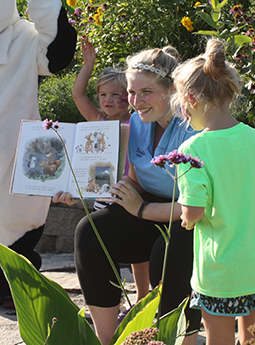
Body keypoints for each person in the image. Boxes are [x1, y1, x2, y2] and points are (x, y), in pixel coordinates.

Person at [54, 45, 201, 344]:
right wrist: (81, 191)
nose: (135, 101)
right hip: (149, 208)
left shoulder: (193, 128)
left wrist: (142, 210)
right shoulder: (136, 122)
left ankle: (174, 336)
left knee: (168, 249)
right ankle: (108, 338)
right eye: (132, 93)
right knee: (91, 230)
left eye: (146, 92)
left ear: (172, 89)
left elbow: (197, 206)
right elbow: (134, 182)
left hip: (196, 221)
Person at [174, 39, 255, 345]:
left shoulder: (192, 149)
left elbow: (193, 212)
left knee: (219, 340)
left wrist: (186, 219)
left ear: (190, 100)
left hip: (222, 269)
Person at [71, 37, 150, 307]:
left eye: (116, 95)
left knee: (139, 254)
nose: (108, 100)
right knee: (105, 247)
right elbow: (77, 95)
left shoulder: (138, 121)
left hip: (132, 191)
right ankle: (112, 298)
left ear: (128, 98)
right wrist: (88, 65)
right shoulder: (98, 121)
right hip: (105, 193)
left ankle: (142, 295)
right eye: (103, 95)